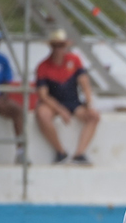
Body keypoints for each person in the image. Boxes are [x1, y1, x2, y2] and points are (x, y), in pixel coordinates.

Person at [34, 29, 100, 165]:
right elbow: (43, 95)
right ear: (51, 47)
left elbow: (85, 84)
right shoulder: (43, 66)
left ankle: (79, 153)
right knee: (42, 114)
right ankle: (60, 151)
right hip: (54, 103)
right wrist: (59, 110)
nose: (59, 49)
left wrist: (89, 103)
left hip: (73, 101)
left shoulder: (74, 60)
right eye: (56, 45)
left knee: (93, 115)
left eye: (62, 45)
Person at [0, 24, 24, 164]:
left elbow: (7, 84)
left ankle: (21, 152)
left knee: (17, 110)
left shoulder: (2, 59)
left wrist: (1, 98)